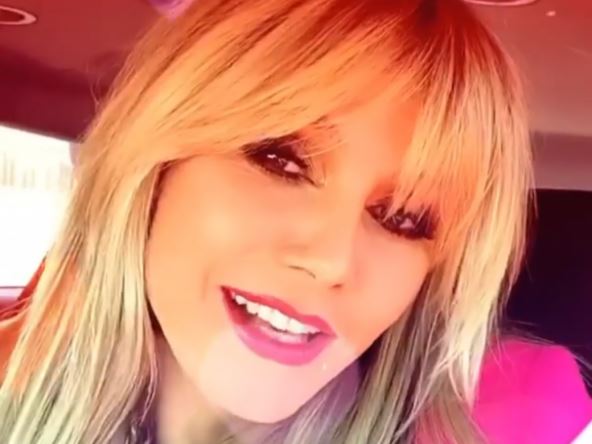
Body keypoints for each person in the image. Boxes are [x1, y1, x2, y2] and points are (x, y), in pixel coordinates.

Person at [0, 0, 590, 442]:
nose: (331, 260)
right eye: (279, 161)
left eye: (405, 219)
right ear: (156, 167)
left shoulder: (504, 420)